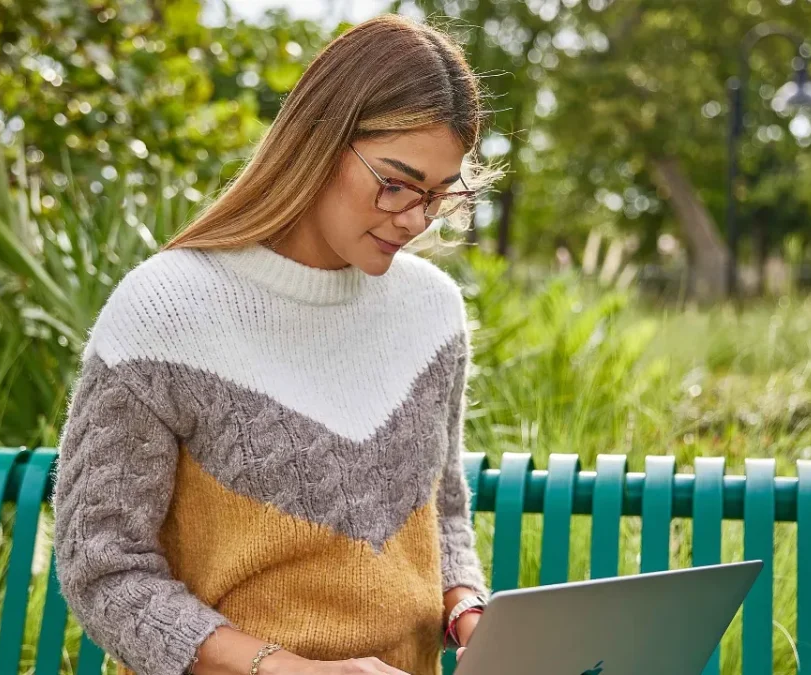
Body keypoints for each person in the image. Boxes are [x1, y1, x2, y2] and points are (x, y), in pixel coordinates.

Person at [51, 13, 501, 675]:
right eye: (397, 183)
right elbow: (104, 569)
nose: (413, 218)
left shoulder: (433, 312)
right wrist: (295, 669)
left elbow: (443, 514)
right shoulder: (165, 311)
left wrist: (465, 602)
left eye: (437, 194)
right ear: (320, 142)